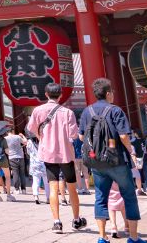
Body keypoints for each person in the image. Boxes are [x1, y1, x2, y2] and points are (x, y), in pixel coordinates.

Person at [78, 78, 147, 243]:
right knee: (129, 196)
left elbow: (81, 136)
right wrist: (130, 149)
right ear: (108, 93)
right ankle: (133, 237)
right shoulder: (116, 111)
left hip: (97, 162)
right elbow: (123, 135)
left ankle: (102, 237)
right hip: (117, 160)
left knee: (100, 197)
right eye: (112, 92)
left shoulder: (87, 111)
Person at [26, 82, 87, 233]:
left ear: (46, 94)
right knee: (71, 188)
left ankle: (57, 222)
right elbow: (73, 135)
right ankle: (76, 219)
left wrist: (42, 136)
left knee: (53, 188)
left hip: (48, 153)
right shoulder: (67, 113)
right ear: (60, 95)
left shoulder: (38, 111)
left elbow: (31, 129)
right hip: (65, 153)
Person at [4, 128, 27, 195]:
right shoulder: (17, 137)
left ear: (7, 132)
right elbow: (25, 142)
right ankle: (23, 189)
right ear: (12, 131)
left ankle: (17, 189)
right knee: (22, 173)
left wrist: (9, 154)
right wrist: (23, 136)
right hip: (21, 156)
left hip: (12, 157)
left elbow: (5, 149)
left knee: (15, 173)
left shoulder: (5, 139)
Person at [27, 136, 48, 205]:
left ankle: (36, 196)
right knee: (46, 182)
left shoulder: (29, 142)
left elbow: (28, 152)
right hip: (44, 163)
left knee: (35, 181)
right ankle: (48, 198)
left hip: (34, 163)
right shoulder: (43, 140)